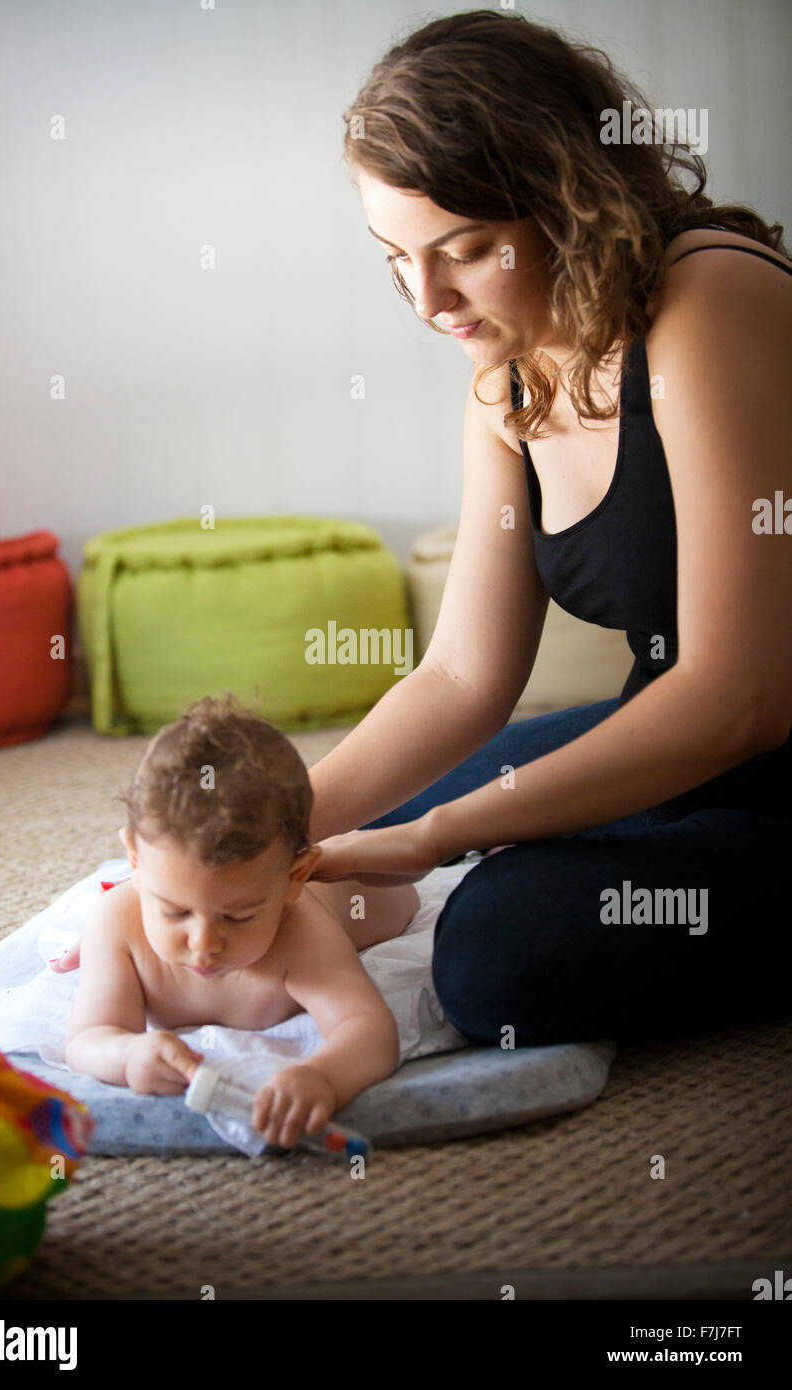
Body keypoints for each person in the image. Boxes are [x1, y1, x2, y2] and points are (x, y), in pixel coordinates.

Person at [304, 10, 792, 1045]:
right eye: (395, 256)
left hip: (761, 760)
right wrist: (263, 823)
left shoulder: (708, 299)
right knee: (341, 824)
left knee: (494, 958)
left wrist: (442, 838)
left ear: (569, 199)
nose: (428, 298)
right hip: (682, 745)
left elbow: (739, 698)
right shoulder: (505, 378)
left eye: (466, 250)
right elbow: (459, 678)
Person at [62, 695, 418, 1149]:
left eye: (239, 916)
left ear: (295, 878)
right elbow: (87, 1039)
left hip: (368, 895)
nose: (205, 941)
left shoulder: (302, 932)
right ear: (133, 859)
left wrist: (323, 1077)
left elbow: (368, 1029)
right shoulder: (120, 926)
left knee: (391, 879)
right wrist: (129, 1054)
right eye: (174, 911)